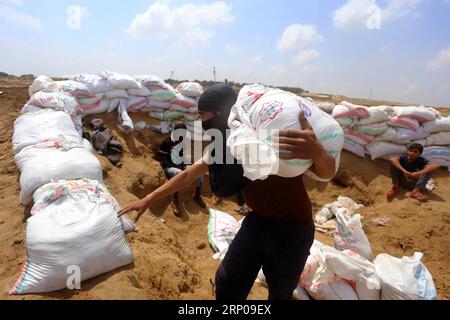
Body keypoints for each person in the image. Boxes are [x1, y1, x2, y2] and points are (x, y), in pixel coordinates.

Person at [119, 84, 337, 300]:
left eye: (203, 115)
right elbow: (186, 175)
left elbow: (325, 174)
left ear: (219, 113)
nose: (202, 122)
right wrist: (147, 199)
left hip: (293, 232)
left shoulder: (268, 138)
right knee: (227, 281)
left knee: (280, 292)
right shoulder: (224, 147)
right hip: (257, 222)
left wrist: (318, 152)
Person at [157, 123, 206, 217]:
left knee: (199, 171)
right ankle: (175, 201)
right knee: (178, 174)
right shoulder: (167, 142)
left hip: (180, 166)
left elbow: (184, 156)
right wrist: (176, 167)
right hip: (168, 166)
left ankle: (197, 196)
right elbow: (161, 158)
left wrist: (186, 166)